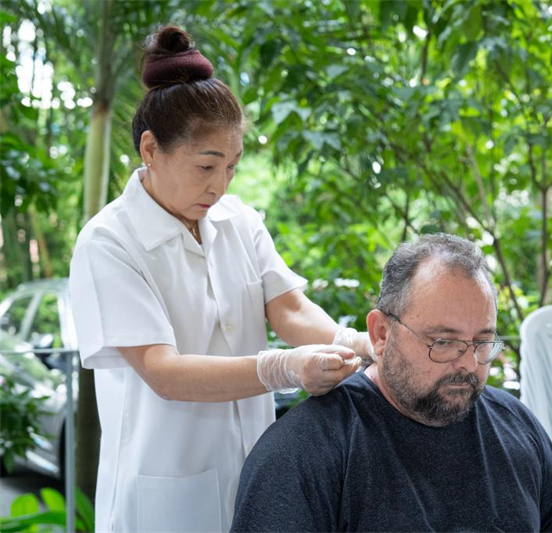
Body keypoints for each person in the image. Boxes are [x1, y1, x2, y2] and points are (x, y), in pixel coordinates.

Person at [68, 26, 373, 532]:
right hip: (163, 490)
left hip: (255, 472)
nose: (220, 184)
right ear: (150, 149)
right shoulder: (109, 242)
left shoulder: (240, 221)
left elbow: (289, 309)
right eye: (206, 165)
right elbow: (162, 370)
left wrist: (358, 342)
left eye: (231, 166)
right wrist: (281, 368)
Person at [231, 234, 552, 532]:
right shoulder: (304, 453)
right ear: (381, 333)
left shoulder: (516, 425)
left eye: (482, 342)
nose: (467, 364)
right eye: (443, 342)